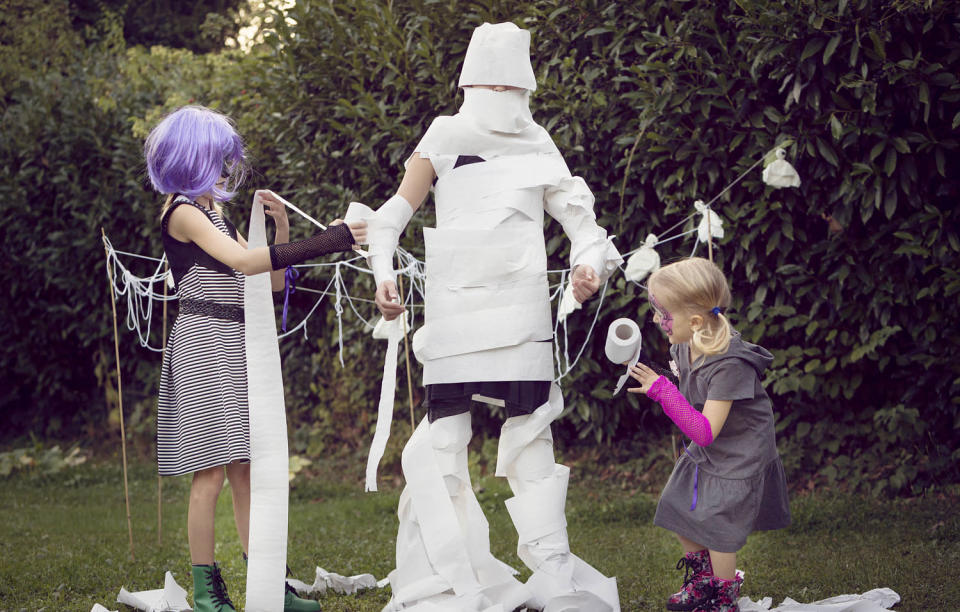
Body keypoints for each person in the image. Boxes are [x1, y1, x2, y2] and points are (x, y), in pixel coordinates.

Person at [358, 22, 623, 611]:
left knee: (531, 439)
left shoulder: (537, 141)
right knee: (444, 442)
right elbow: (390, 217)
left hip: (522, 323)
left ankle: (553, 572)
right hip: (455, 321)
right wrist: (383, 274)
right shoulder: (446, 135)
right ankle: (450, 574)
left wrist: (587, 270)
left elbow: (584, 226)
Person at [145, 105, 366, 612]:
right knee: (212, 473)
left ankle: (267, 587)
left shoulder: (213, 212)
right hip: (203, 344)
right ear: (193, 157)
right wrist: (330, 240)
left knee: (245, 468)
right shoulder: (181, 211)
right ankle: (206, 595)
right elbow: (245, 261)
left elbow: (265, 280)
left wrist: (284, 232)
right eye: (218, 158)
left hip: (233, 344)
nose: (224, 169)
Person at [626, 257, 791, 612]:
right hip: (711, 450)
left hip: (739, 454)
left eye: (663, 312)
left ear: (696, 320)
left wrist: (664, 393)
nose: (657, 320)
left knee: (719, 529)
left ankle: (723, 597)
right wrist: (665, 387)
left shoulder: (729, 363)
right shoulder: (685, 346)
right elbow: (692, 404)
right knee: (676, 506)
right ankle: (701, 583)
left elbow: (703, 431)